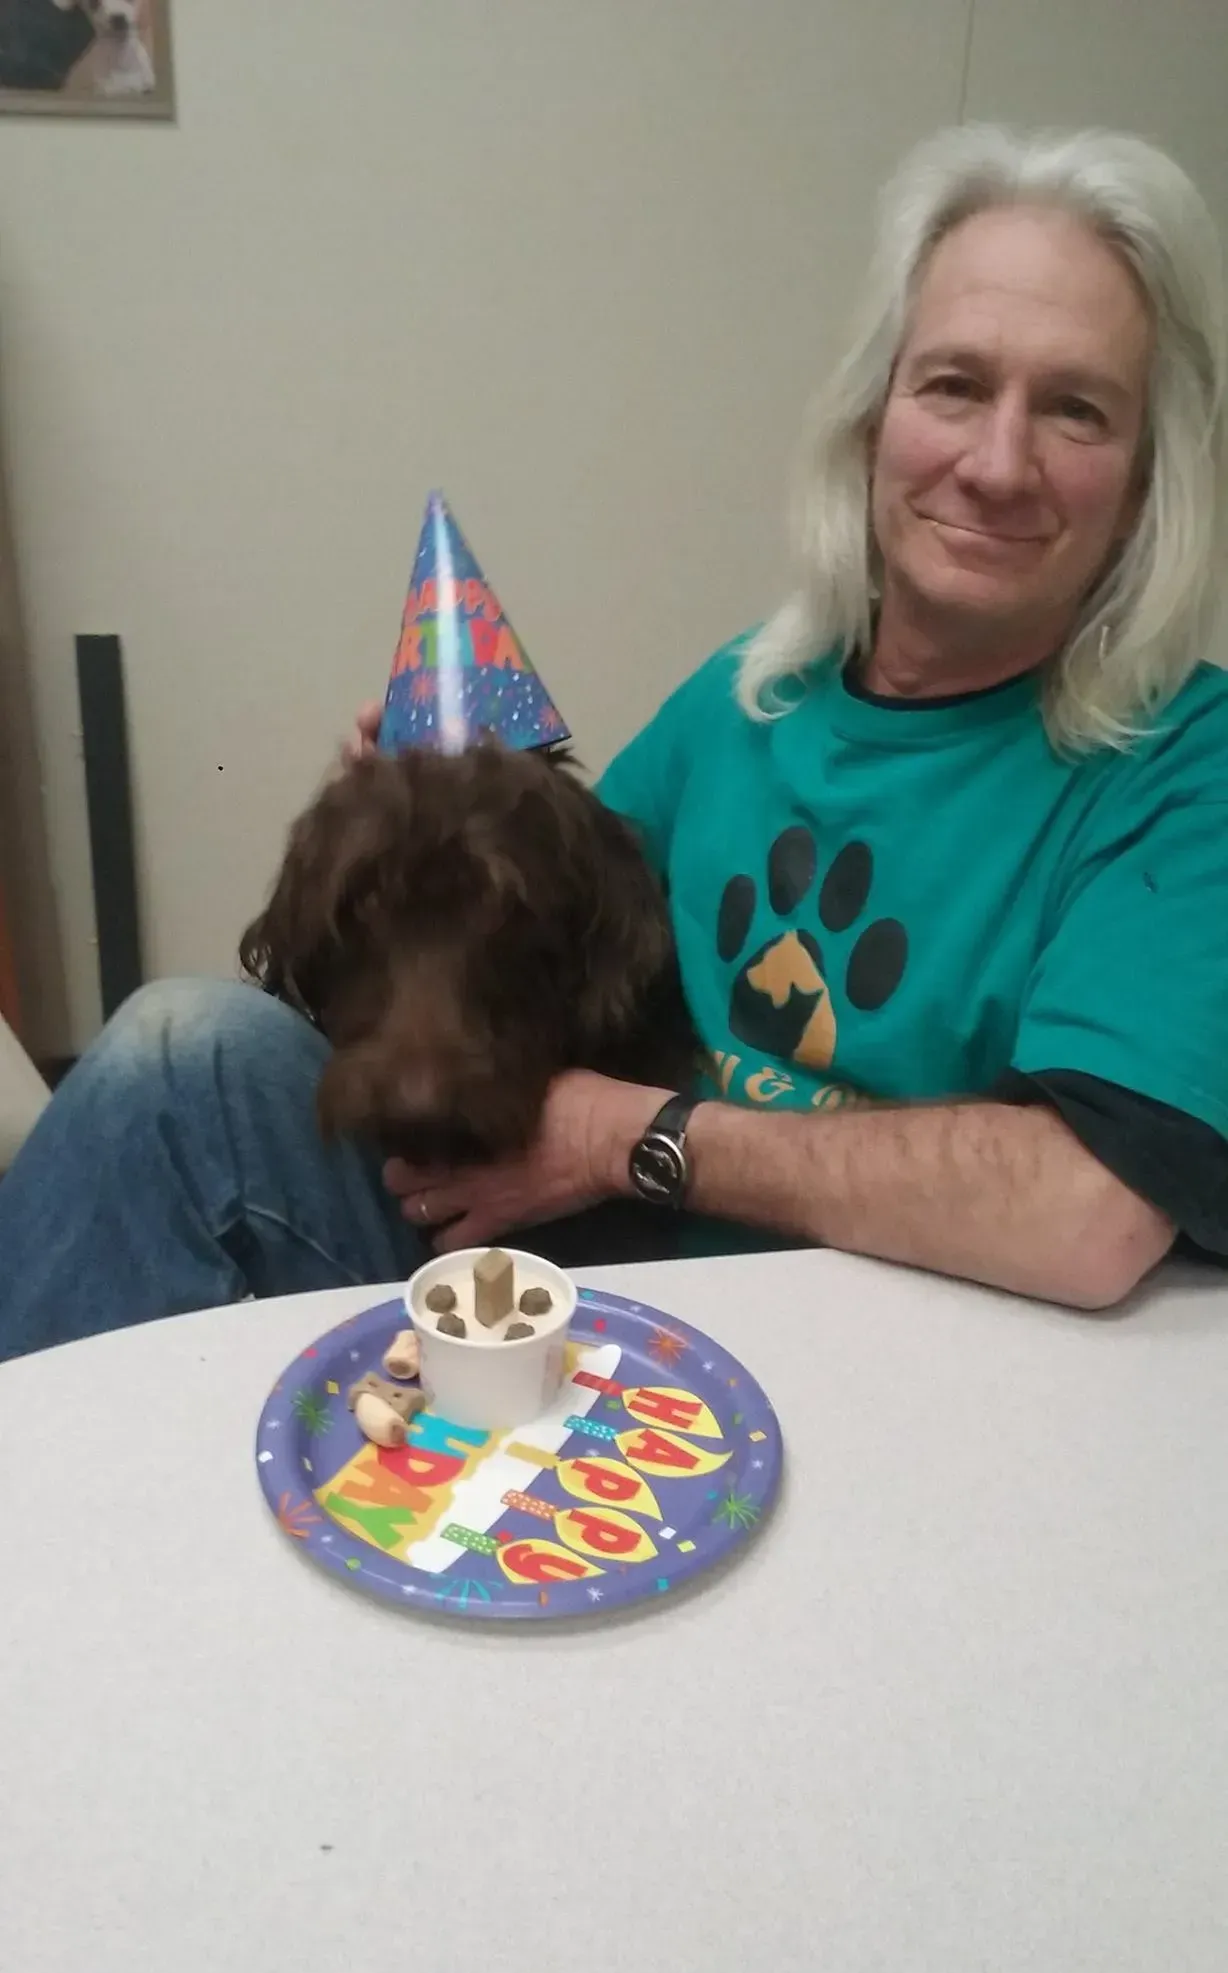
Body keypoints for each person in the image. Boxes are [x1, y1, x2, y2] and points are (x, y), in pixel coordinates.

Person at [3, 120, 1227, 1362]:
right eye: (954, 385)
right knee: (179, 1055)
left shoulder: (1189, 769)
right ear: (872, 423)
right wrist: (399, 860)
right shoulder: (748, 695)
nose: (997, 462)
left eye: (1075, 410)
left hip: (873, 1357)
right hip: (568, 1285)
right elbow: (558, 935)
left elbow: (1089, 1214)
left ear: (1143, 485)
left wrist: (623, 1139)